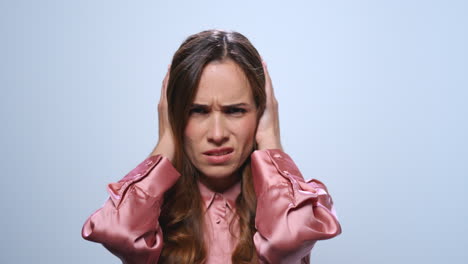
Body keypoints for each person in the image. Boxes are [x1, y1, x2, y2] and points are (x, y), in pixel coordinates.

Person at [81, 29, 342, 264]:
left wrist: (271, 143)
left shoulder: (299, 203)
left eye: (235, 111)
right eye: (197, 111)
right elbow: (118, 232)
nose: (217, 134)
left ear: (262, 114)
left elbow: (287, 241)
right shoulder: (151, 210)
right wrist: (166, 143)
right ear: (174, 116)